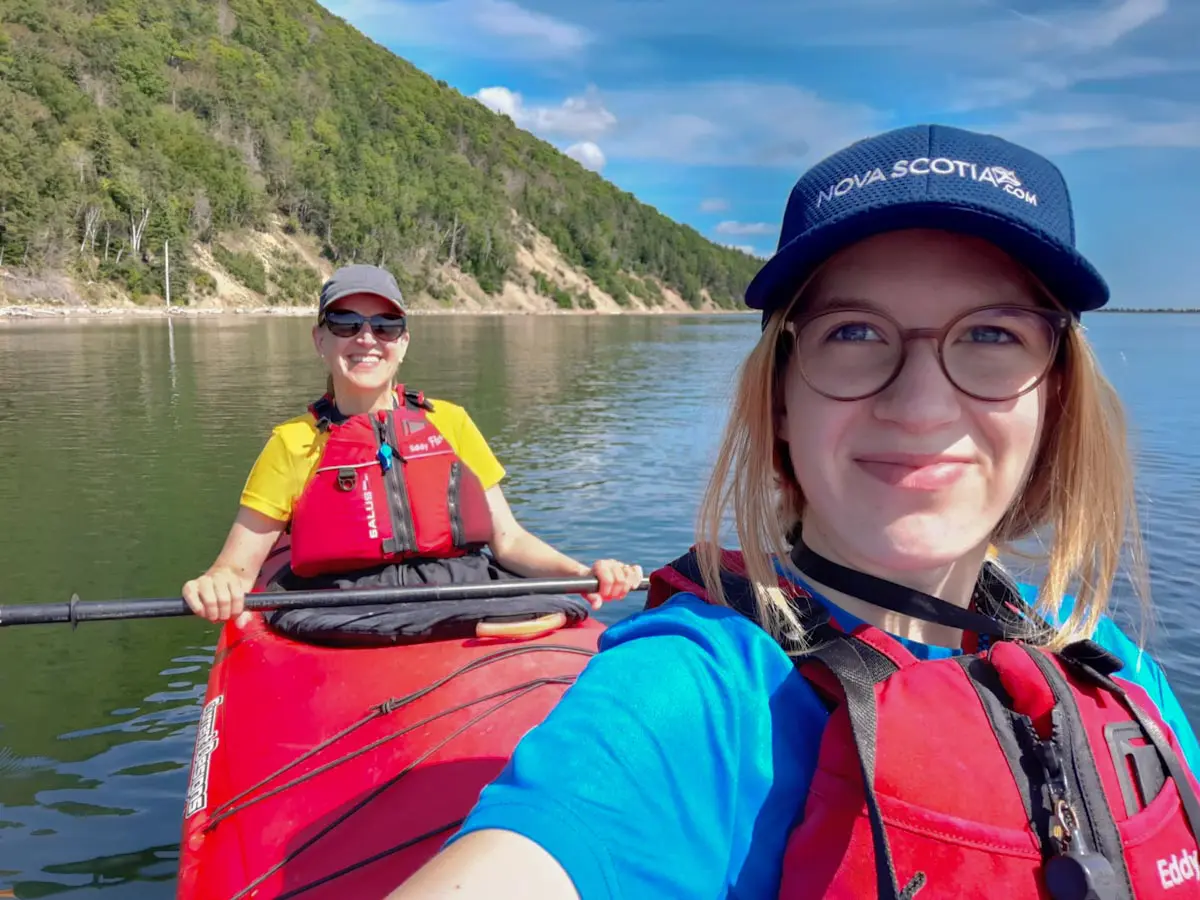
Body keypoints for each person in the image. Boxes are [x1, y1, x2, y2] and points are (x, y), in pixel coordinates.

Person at [386, 124, 1200, 898]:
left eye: (991, 335)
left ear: (1055, 397)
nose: (920, 407)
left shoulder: (1116, 672)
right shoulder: (693, 696)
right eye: (853, 332)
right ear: (780, 395)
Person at [183, 263, 643, 628]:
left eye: (385, 325)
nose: (366, 338)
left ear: (403, 342)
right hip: (342, 615)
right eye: (345, 323)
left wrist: (584, 572)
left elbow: (508, 540)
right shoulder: (292, 443)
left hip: (463, 596)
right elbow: (235, 572)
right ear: (320, 340)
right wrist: (213, 587)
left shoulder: (452, 422)